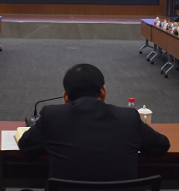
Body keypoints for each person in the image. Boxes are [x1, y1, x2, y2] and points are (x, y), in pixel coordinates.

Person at [18, 64, 170, 182]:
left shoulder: (51, 116)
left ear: (65, 97)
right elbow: (161, 146)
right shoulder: (129, 117)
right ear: (103, 91)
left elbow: (26, 148)